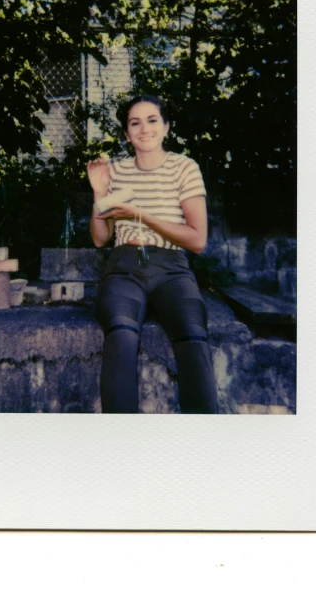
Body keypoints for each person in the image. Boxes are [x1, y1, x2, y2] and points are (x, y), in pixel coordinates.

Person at [87, 95, 218, 414]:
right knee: (121, 331)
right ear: (127, 134)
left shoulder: (184, 168)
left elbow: (197, 240)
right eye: (135, 123)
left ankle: (206, 442)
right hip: (124, 269)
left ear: (166, 127)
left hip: (172, 269)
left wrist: (141, 215)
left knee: (193, 333)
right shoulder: (115, 171)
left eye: (152, 120)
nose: (144, 128)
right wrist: (99, 192)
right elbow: (101, 239)